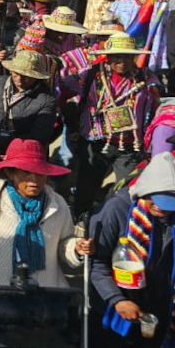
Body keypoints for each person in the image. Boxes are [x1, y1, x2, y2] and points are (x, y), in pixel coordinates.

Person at [0, 138, 91, 289]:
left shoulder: (57, 205)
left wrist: (76, 248)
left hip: (43, 298)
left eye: (39, 172)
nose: (34, 179)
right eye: (26, 172)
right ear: (10, 173)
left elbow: (64, 243)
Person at [63, 32, 162, 216]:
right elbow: (65, 93)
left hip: (130, 146)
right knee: (86, 188)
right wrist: (73, 128)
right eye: (117, 56)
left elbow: (156, 107)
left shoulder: (146, 78)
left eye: (127, 56)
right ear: (107, 57)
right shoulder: (91, 74)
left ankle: (112, 221)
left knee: (126, 191)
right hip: (96, 142)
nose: (122, 61)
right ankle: (80, 223)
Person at [88, 152, 175, 348]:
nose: (163, 208)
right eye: (157, 200)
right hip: (114, 311)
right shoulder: (115, 210)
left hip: (158, 311)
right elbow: (96, 264)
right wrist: (117, 300)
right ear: (144, 191)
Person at [0, 50, 57, 147]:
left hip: (21, 149)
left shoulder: (46, 100)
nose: (19, 79)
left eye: (26, 76)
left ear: (36, 77)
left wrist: (6, 142)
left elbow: (40, 135)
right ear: (11, 70)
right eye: (16, 73)